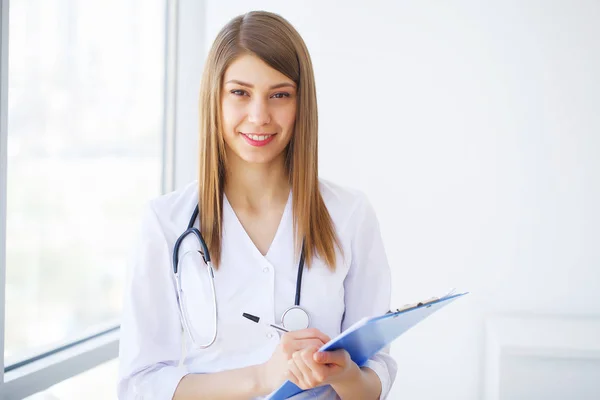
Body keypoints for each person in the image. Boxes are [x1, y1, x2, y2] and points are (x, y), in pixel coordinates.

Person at [117, 10, 397, 400]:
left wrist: (345, 374)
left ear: (302, 103)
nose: (259, 116)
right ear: (215, 98)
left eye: (279, 95)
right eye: (240, 93)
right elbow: (139, 386)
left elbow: (374, 375)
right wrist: (263, 377)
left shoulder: (349, 215)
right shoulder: (166, 223)